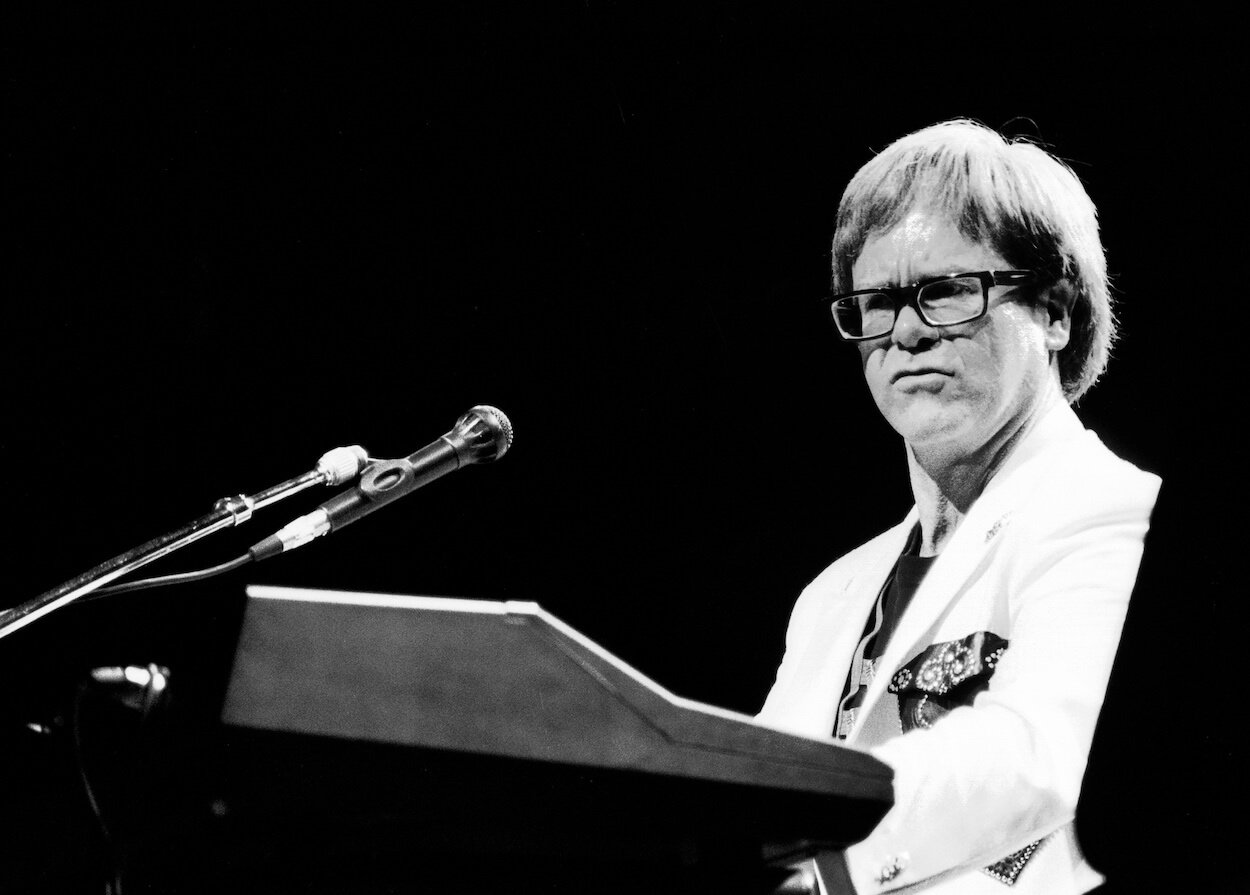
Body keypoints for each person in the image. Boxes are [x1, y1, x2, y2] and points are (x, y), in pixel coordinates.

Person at [757, 120, 1160, 894]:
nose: (904, 331)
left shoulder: (1114, 514)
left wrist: (819, 862)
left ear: (1055, 311)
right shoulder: (832, 595)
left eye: (943, 291)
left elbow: (1036, 752)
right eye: (874, 302)